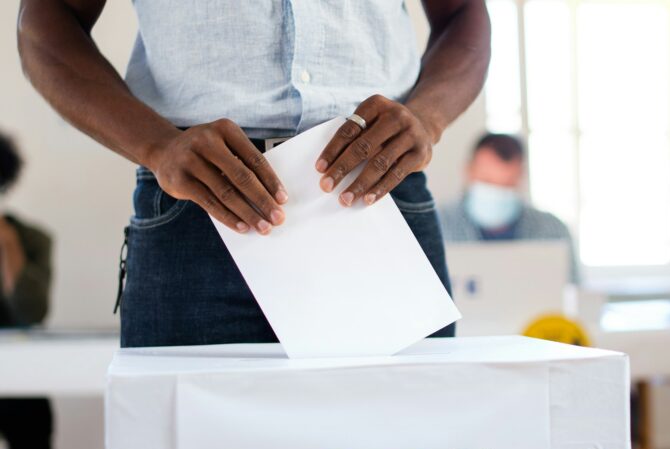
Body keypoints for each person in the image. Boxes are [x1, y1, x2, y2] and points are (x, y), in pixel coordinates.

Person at [18, 1, 490, 347]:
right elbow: (46, 18)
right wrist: (155, 145)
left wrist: (428, 118)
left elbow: (463, 13)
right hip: (197, 207)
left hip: (377, 191)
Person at [439, 133, 580, 283]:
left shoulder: (553, 231)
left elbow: (572, 293)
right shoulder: (437, 225)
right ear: (468, 170)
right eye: (487, 181)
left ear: (521, 177)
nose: (496, 192)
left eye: (507, 184)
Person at [0, 133, 53, 449]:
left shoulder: (32, 239)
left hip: (17, 374)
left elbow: (31, 312)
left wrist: (8, 248)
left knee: (34, 429)